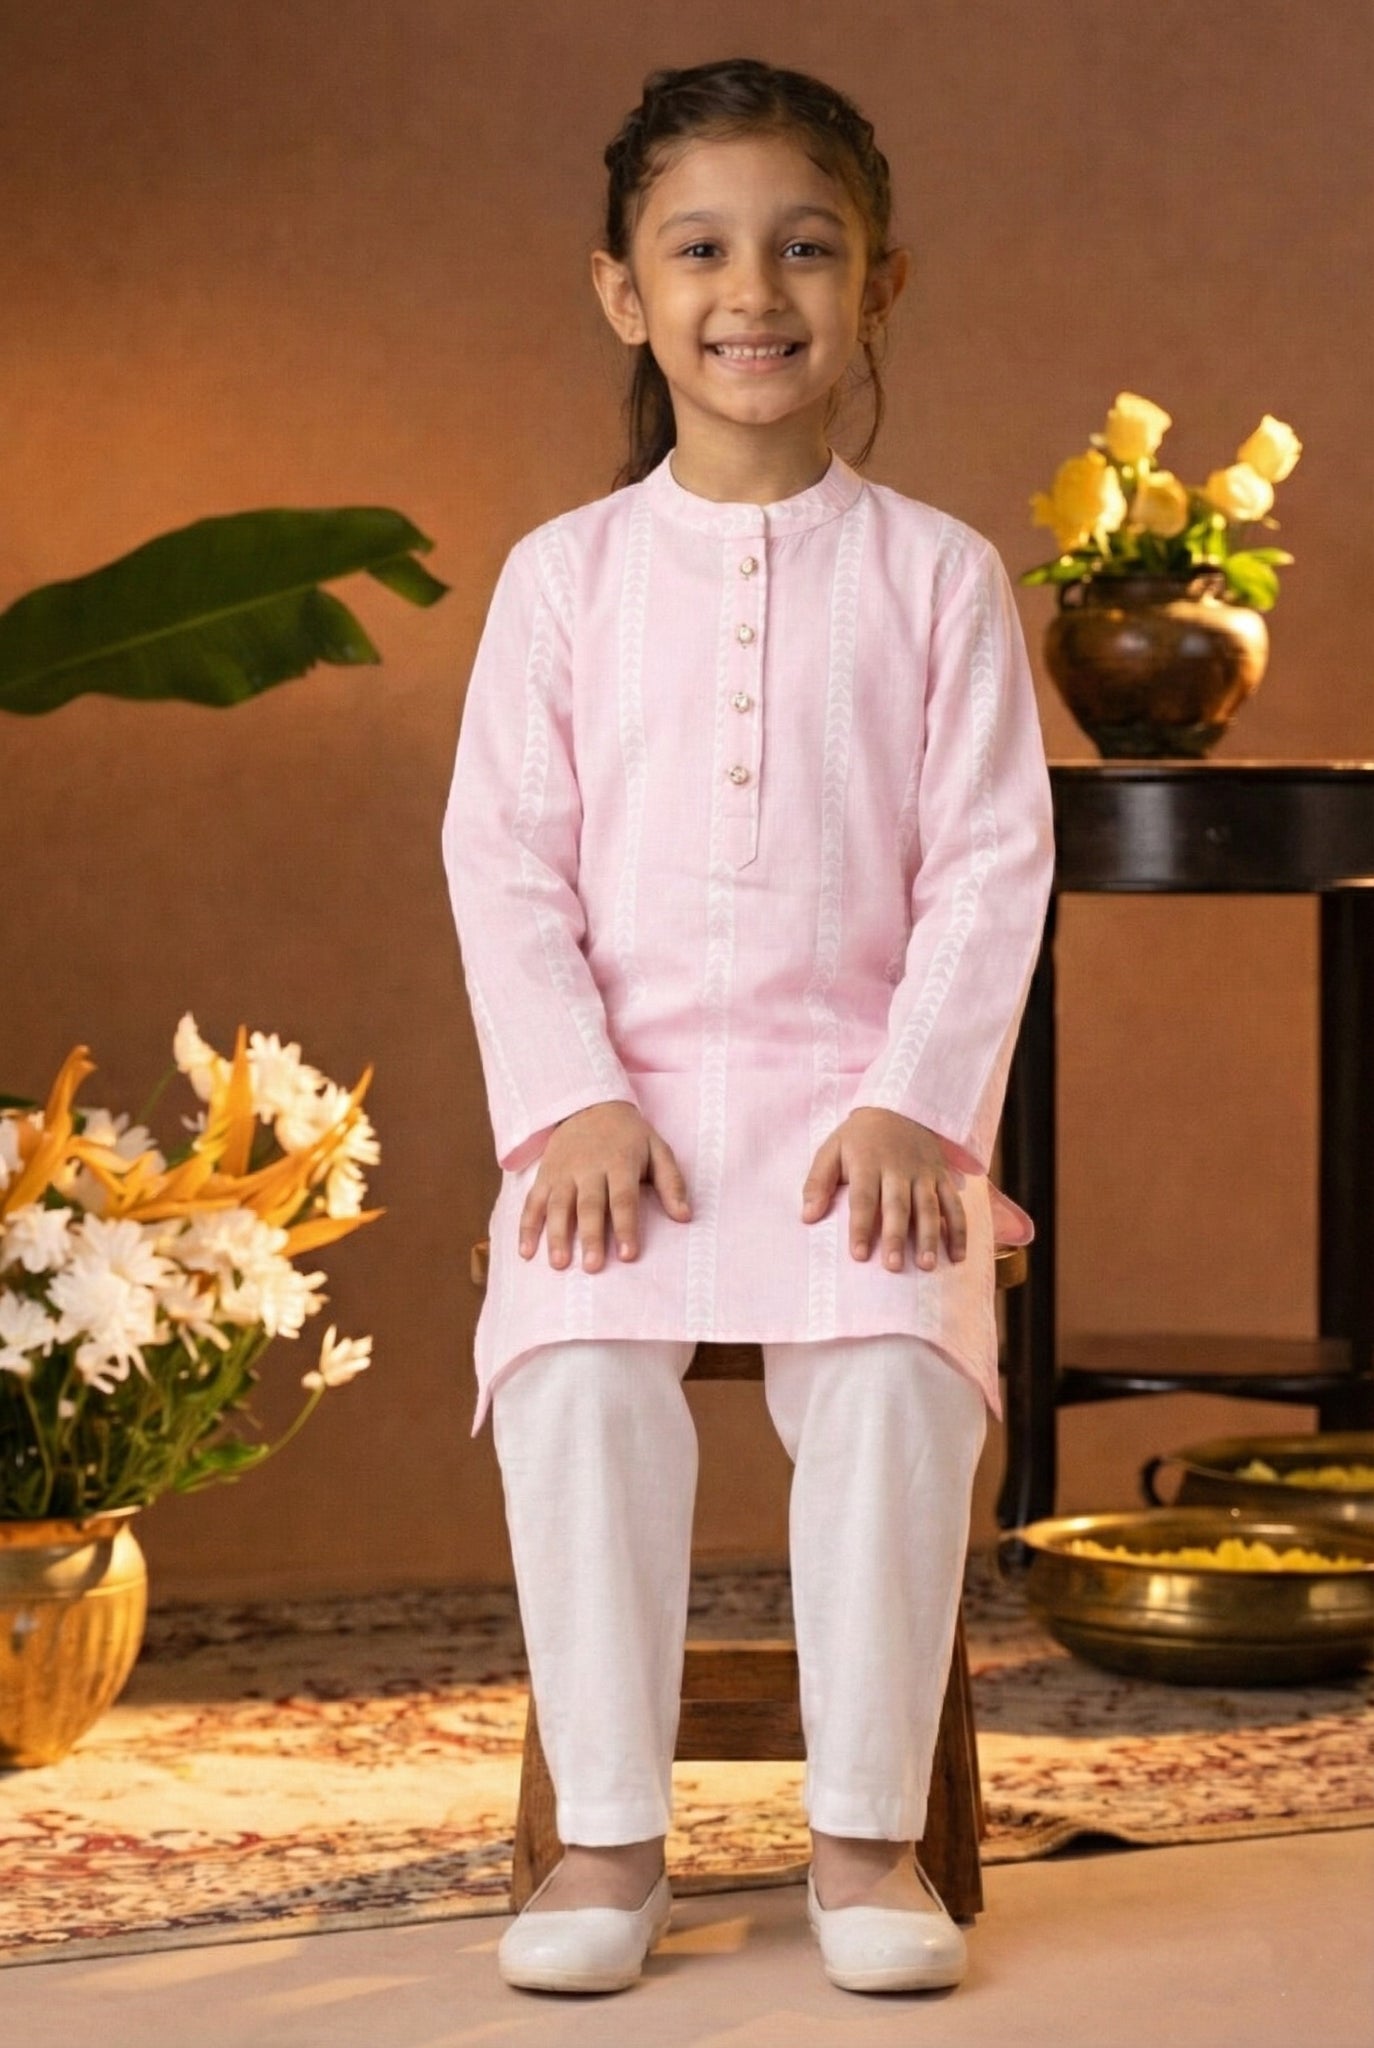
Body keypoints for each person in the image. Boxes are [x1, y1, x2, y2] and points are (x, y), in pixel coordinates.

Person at [442, 56, 1054, 1998]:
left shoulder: (941, 575)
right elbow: (504, 867)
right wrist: (569, 1103)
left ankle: (864, 1838)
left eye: (804, 247)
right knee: (575, 1373)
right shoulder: (562, 578)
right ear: (623, 292)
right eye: (698, 249)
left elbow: (989, 868)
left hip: (859, 1115)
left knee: (888, 1371)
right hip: (615, 1125)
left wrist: (916, 1108)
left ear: (878, 283)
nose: (752, 291)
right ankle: (610, 1839)